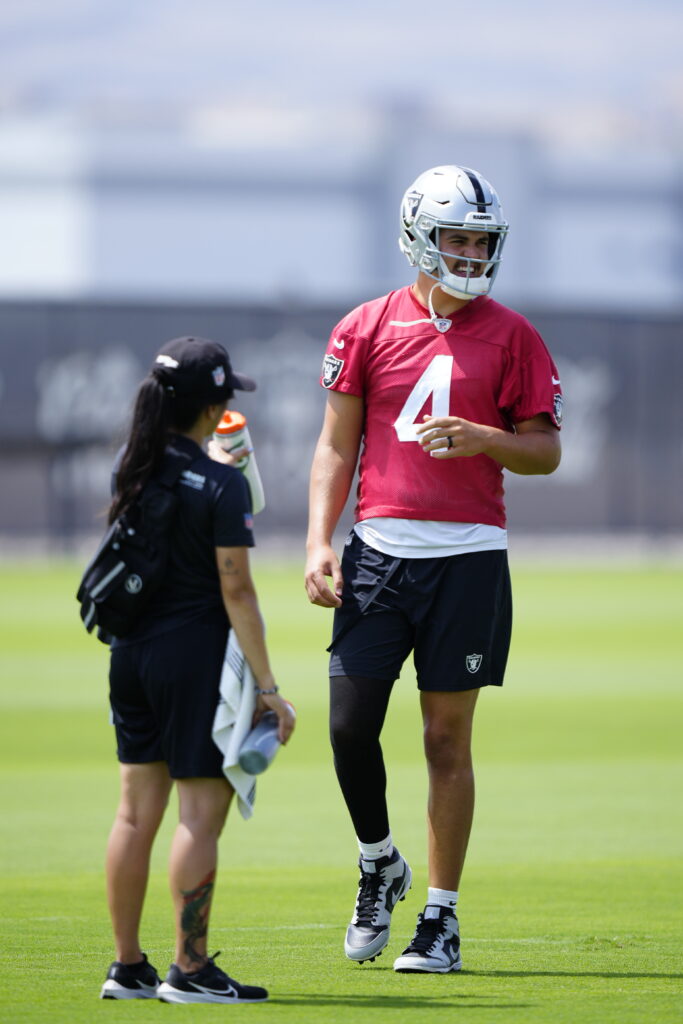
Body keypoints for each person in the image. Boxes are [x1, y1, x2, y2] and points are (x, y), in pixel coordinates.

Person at [305, 165, 562, 974]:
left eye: (481, 239)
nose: (470, 251)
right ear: (419, 236)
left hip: (469, 560)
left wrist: (486, 438)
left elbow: (546, 451)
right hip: (379, 555)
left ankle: (440, 919)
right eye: (457, 236)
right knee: (349, 729)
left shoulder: (513, 334)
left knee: (445, 739)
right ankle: (379, 861)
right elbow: (335, 444)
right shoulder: (365, 326)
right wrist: (317, 540)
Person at [100, 336, 295, 1004]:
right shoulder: (221, 482)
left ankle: (128, 969)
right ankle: (189, 969)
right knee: (199, 816)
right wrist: (268, 691)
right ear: (212, 405)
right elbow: (236, 591)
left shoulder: (133, 465)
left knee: (133, 816)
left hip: (130, 658)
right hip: (193, 660)